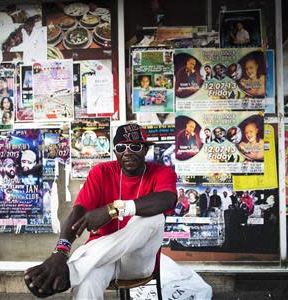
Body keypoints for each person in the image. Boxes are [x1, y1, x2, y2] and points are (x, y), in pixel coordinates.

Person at [24, 123, 177, 299]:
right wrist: (60, 251)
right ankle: (71, 272)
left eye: (135, 146)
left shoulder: (162, 172)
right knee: (87, 281)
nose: (127, 152)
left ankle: (70, 272)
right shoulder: (102, 172)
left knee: (154, 218)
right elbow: (78, 214)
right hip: (102, 259)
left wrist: (113, 209)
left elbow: (168, 199)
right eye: (121, 147)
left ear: (145, 150)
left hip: (138, 261)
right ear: (115, 152)